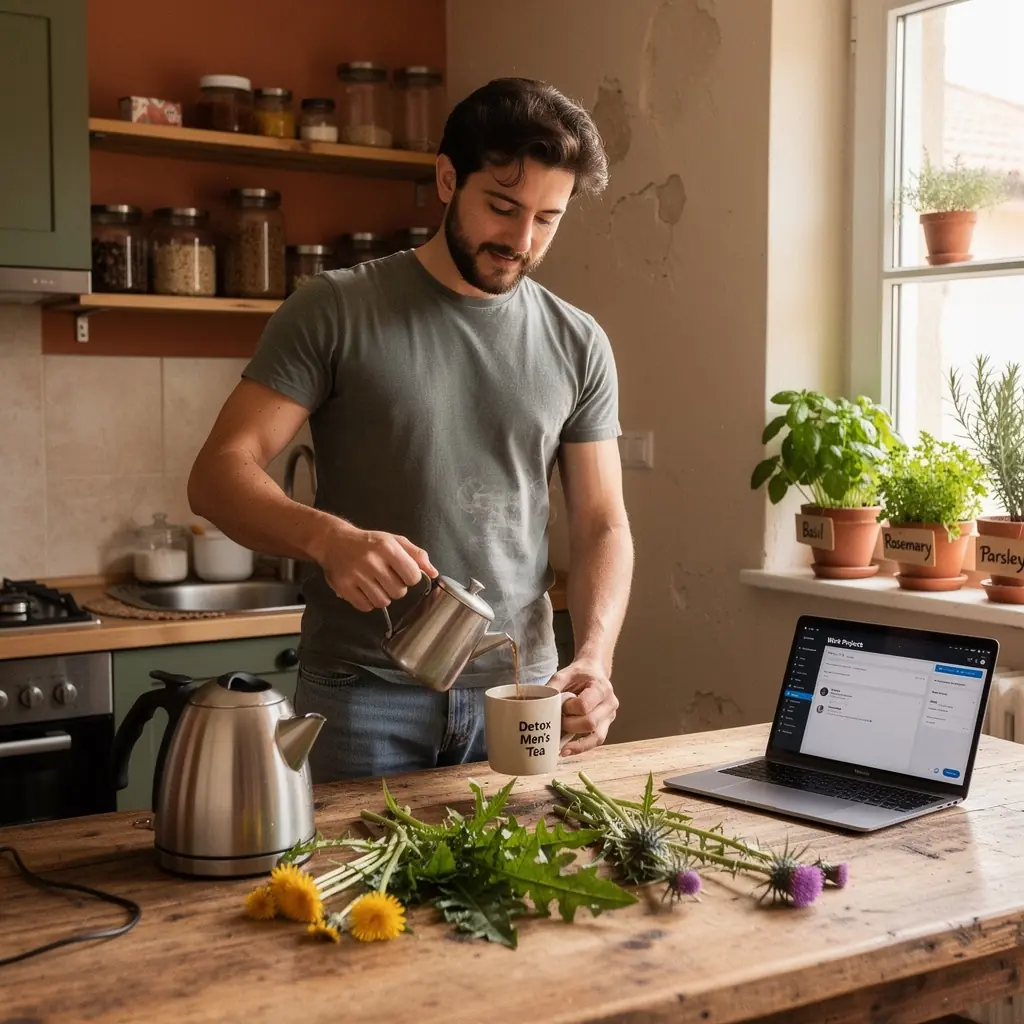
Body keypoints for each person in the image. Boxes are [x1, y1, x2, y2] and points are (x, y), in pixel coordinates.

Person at [187, 77, 634, 782]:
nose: (520, 241)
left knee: (525, 894)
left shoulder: (578, 342)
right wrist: (325, 537)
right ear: (447, 178)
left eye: (547, 219)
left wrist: (596, 655)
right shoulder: (334, 309)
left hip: (523, 694)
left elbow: (603, 522)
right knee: (348, 893)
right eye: (503, 207)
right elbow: (217, 474)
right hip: (364, 697)